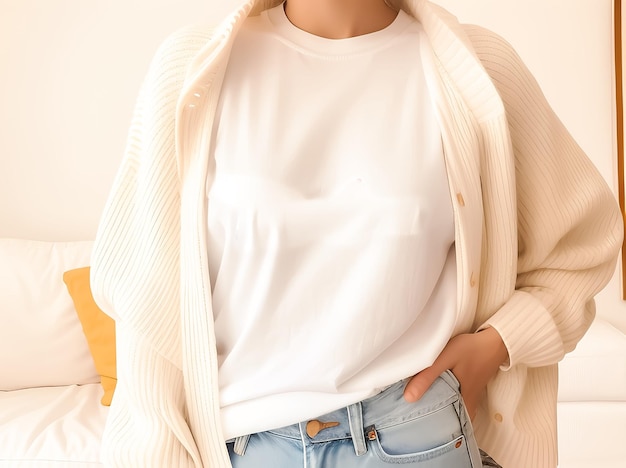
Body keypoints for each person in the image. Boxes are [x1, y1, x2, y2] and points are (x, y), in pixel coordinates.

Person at [90, 0, 623, 467]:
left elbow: (584, 244)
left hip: (417, 437)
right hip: (250, 448)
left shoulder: (475, 69)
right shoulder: (192, 69)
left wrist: (499, 343)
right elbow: (147, 306)